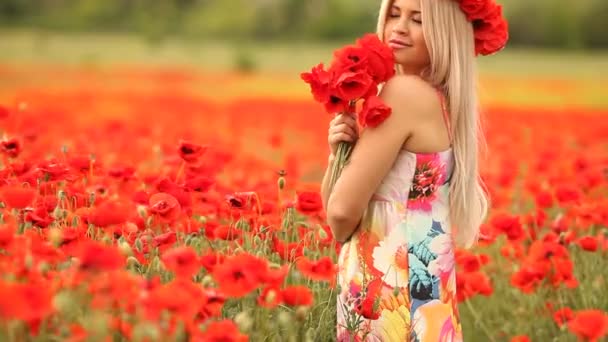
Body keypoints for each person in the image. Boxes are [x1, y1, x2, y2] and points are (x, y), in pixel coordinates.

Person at [320, 0, 508, 340]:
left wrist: (340, 164)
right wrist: (339, 155)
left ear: (446, 31)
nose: (400, 27)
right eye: (394, 14)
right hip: (428, 289)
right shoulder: (444, 100)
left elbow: (340, 214)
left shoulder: (404, 93)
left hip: (389, 288)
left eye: (417, 19)